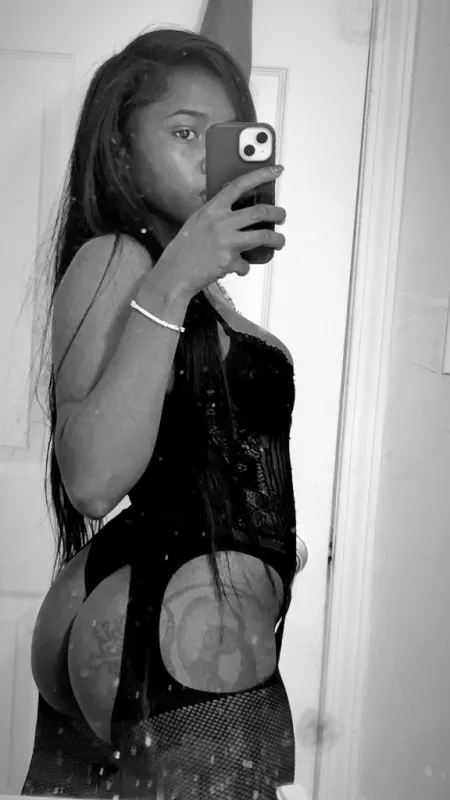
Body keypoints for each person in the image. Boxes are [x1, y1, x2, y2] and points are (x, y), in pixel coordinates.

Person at [22, 0, 302, 797]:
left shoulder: (180, 277)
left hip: (161, 616)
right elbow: (91, 482)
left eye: (218, 138)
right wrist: (178, 276)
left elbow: (217, 75)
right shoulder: (125, 261)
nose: (206, 157)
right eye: (183, 134)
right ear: (120, 148)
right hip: (177, 629)